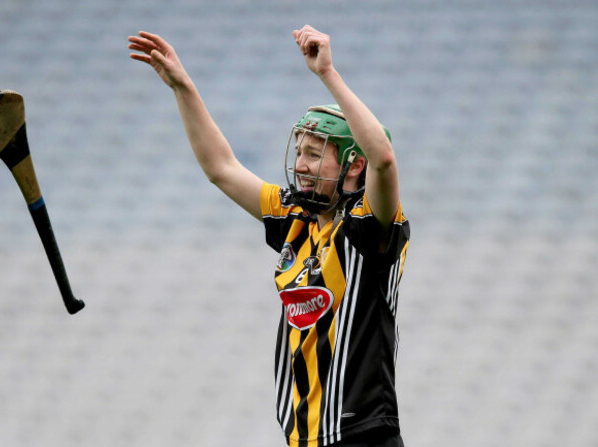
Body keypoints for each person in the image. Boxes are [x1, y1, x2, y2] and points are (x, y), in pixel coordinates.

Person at [128, 24, 410, 447]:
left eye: (314, 154)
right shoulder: (294, 216)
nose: (300, 164)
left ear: (354, 165)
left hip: (362, 435)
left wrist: (327, 74)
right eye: (299, 151)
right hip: (301, 439)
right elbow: (220, 168)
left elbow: (384, 160)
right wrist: (182, 87)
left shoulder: (370, 227)